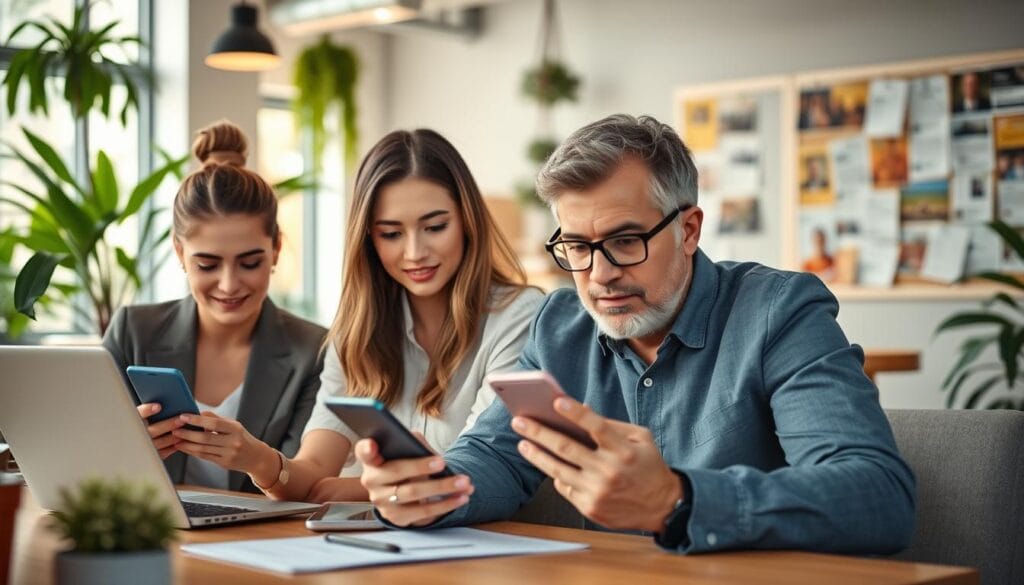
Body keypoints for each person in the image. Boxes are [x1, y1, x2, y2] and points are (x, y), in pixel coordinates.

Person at [356, 114, 915, 555]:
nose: (599, 276)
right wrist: (430, 491)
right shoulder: (560, 325)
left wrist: (678, 500)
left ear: (689, 229)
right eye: (576, 247)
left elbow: (877, 496)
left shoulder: (778, 312)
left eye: (626, 241)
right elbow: (500, 456)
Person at [223, 129, 543, 503]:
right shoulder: (356, 334)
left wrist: (347, 489)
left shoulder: (520, 317)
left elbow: (478, 467)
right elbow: (310, 475)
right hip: (379, 549)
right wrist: (256, 457)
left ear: (467, 221)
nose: (415, 252)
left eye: (435, 227)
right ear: (369, 240)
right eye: (391, 233)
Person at [103, 120, 327, 493]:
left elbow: (303, 486)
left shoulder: (313, 352)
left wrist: (256, 458)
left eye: (250, 262)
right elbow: (87, 460)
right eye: (208, 264)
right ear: (180, 253)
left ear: (276, 250)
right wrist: (125, 452)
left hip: (258, 544)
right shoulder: (133, 332)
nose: (228, 284)